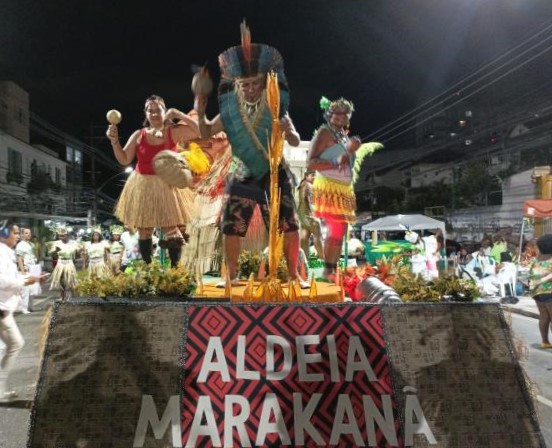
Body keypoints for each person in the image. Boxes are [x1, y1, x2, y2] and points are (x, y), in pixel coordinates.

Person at [194, 22, 307, 287]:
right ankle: (231, 276)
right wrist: (199, 109)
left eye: (255, 83)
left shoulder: (276, 105)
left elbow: (295, 139)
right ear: (237, 86)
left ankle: (293, 275)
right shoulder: (230, 112)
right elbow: (207, 131)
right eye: (245, 85)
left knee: (289, 225)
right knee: (231, 227)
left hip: (274, 172)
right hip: (242, 173)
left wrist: (289, 132)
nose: (251, 89)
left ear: (265, 82)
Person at [106, 95, 200, 267]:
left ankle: (174, 268)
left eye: (159, 110)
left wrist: (179, 114)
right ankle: (149, 267)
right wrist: (114, 142)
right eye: (151, 110)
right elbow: (125, 159)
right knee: (144, 228)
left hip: (167, 184)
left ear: (165, 111)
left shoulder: (173, 131)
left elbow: (199, 130)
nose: (155, 113)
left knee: (171, 227)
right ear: (146, 113)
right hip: (142, 184)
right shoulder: (139, 135)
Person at [306, 97, 362, 279]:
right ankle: (328, 271)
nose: (339, 118)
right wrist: (335, 161)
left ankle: (332, 269)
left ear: (348, 117)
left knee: (340, 230)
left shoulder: (342, 135)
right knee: (336, 229)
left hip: (343, 187)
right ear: (329, 115)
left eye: (344, 115)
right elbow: (311, 163)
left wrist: (351, 150)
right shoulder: (324, 133)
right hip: (329, 187)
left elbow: (346, 161)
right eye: (336, 114)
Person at [0, 221, 47, 400]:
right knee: (15, 344)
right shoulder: (1, 253)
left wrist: (32, 278)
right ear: (4, 234)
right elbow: (3, 281)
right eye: (15, 233)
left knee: (11, 345)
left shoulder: (6, 252)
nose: (18, 236)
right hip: (1, 309)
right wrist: (26, 281)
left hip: (4, 307)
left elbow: (11, 276)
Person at [528, 234, 552, 349]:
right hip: (549, 291)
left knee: (544, 317)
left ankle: (545, 341)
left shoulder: (536, 261)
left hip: (537, 292)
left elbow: (532, 276)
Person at [296, 170, 323, 259]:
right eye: (312, 175)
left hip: (304, 216)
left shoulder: (303, 185)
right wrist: (312, 213)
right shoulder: (307, 185)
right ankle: (323, 258)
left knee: (304, 238)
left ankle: (305, 260)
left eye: (315, 175)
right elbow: (305, 199)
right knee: (317, 236)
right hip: (310, 215)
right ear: (306, 176)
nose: (314, 177)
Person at [49, 227, 80, 302]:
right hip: (60, 263)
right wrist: (55, 251)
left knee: (72, 281)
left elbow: (77, 256)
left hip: (69, 262)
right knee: (61, 280)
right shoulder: (56, 243)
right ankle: (63, 296)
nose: (61, 237)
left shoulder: (74, 243)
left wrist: (78, 252)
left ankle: (73, 297)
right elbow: (54, 257)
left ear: (67, 235)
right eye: (60, 236)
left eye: (63, 236)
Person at [15, 227, 40, 313]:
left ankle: (31, 306)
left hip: (33, 268)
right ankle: (24, 308)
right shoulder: (20, 245)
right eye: (26, 233)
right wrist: (22, 272)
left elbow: (35, 256)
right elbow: (19, 259)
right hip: (25, 269)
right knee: (25, 290)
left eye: (29, 233)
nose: (28, 234)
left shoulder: (32, 244)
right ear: (22, 235)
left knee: (32, 289)